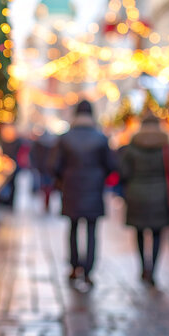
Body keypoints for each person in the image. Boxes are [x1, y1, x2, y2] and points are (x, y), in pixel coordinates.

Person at [52, 100, 116, 287]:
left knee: (72, 228)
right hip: (94, 190)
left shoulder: (65, 138)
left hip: (71, 188)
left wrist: (63, 177)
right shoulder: (101, 138)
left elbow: (53, 165)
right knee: (91, 230)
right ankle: (88, 270)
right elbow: (112, 165)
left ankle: (74, 266)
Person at [120, 112, 169, 286]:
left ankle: (143, 267)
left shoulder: (132, 145)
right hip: (159, 195)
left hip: (136, 194)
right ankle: (153, 271)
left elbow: (123, 172)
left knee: (139, 232)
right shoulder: (166, 145)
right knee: (157, 233)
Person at [31, 129, 57, 212]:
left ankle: (46, 202)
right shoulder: (53, 144)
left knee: (45, 185)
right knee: (47, 186)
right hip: (48, 168)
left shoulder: (38, 144)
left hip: (43, 168)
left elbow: (33, 155)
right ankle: (46, 202)